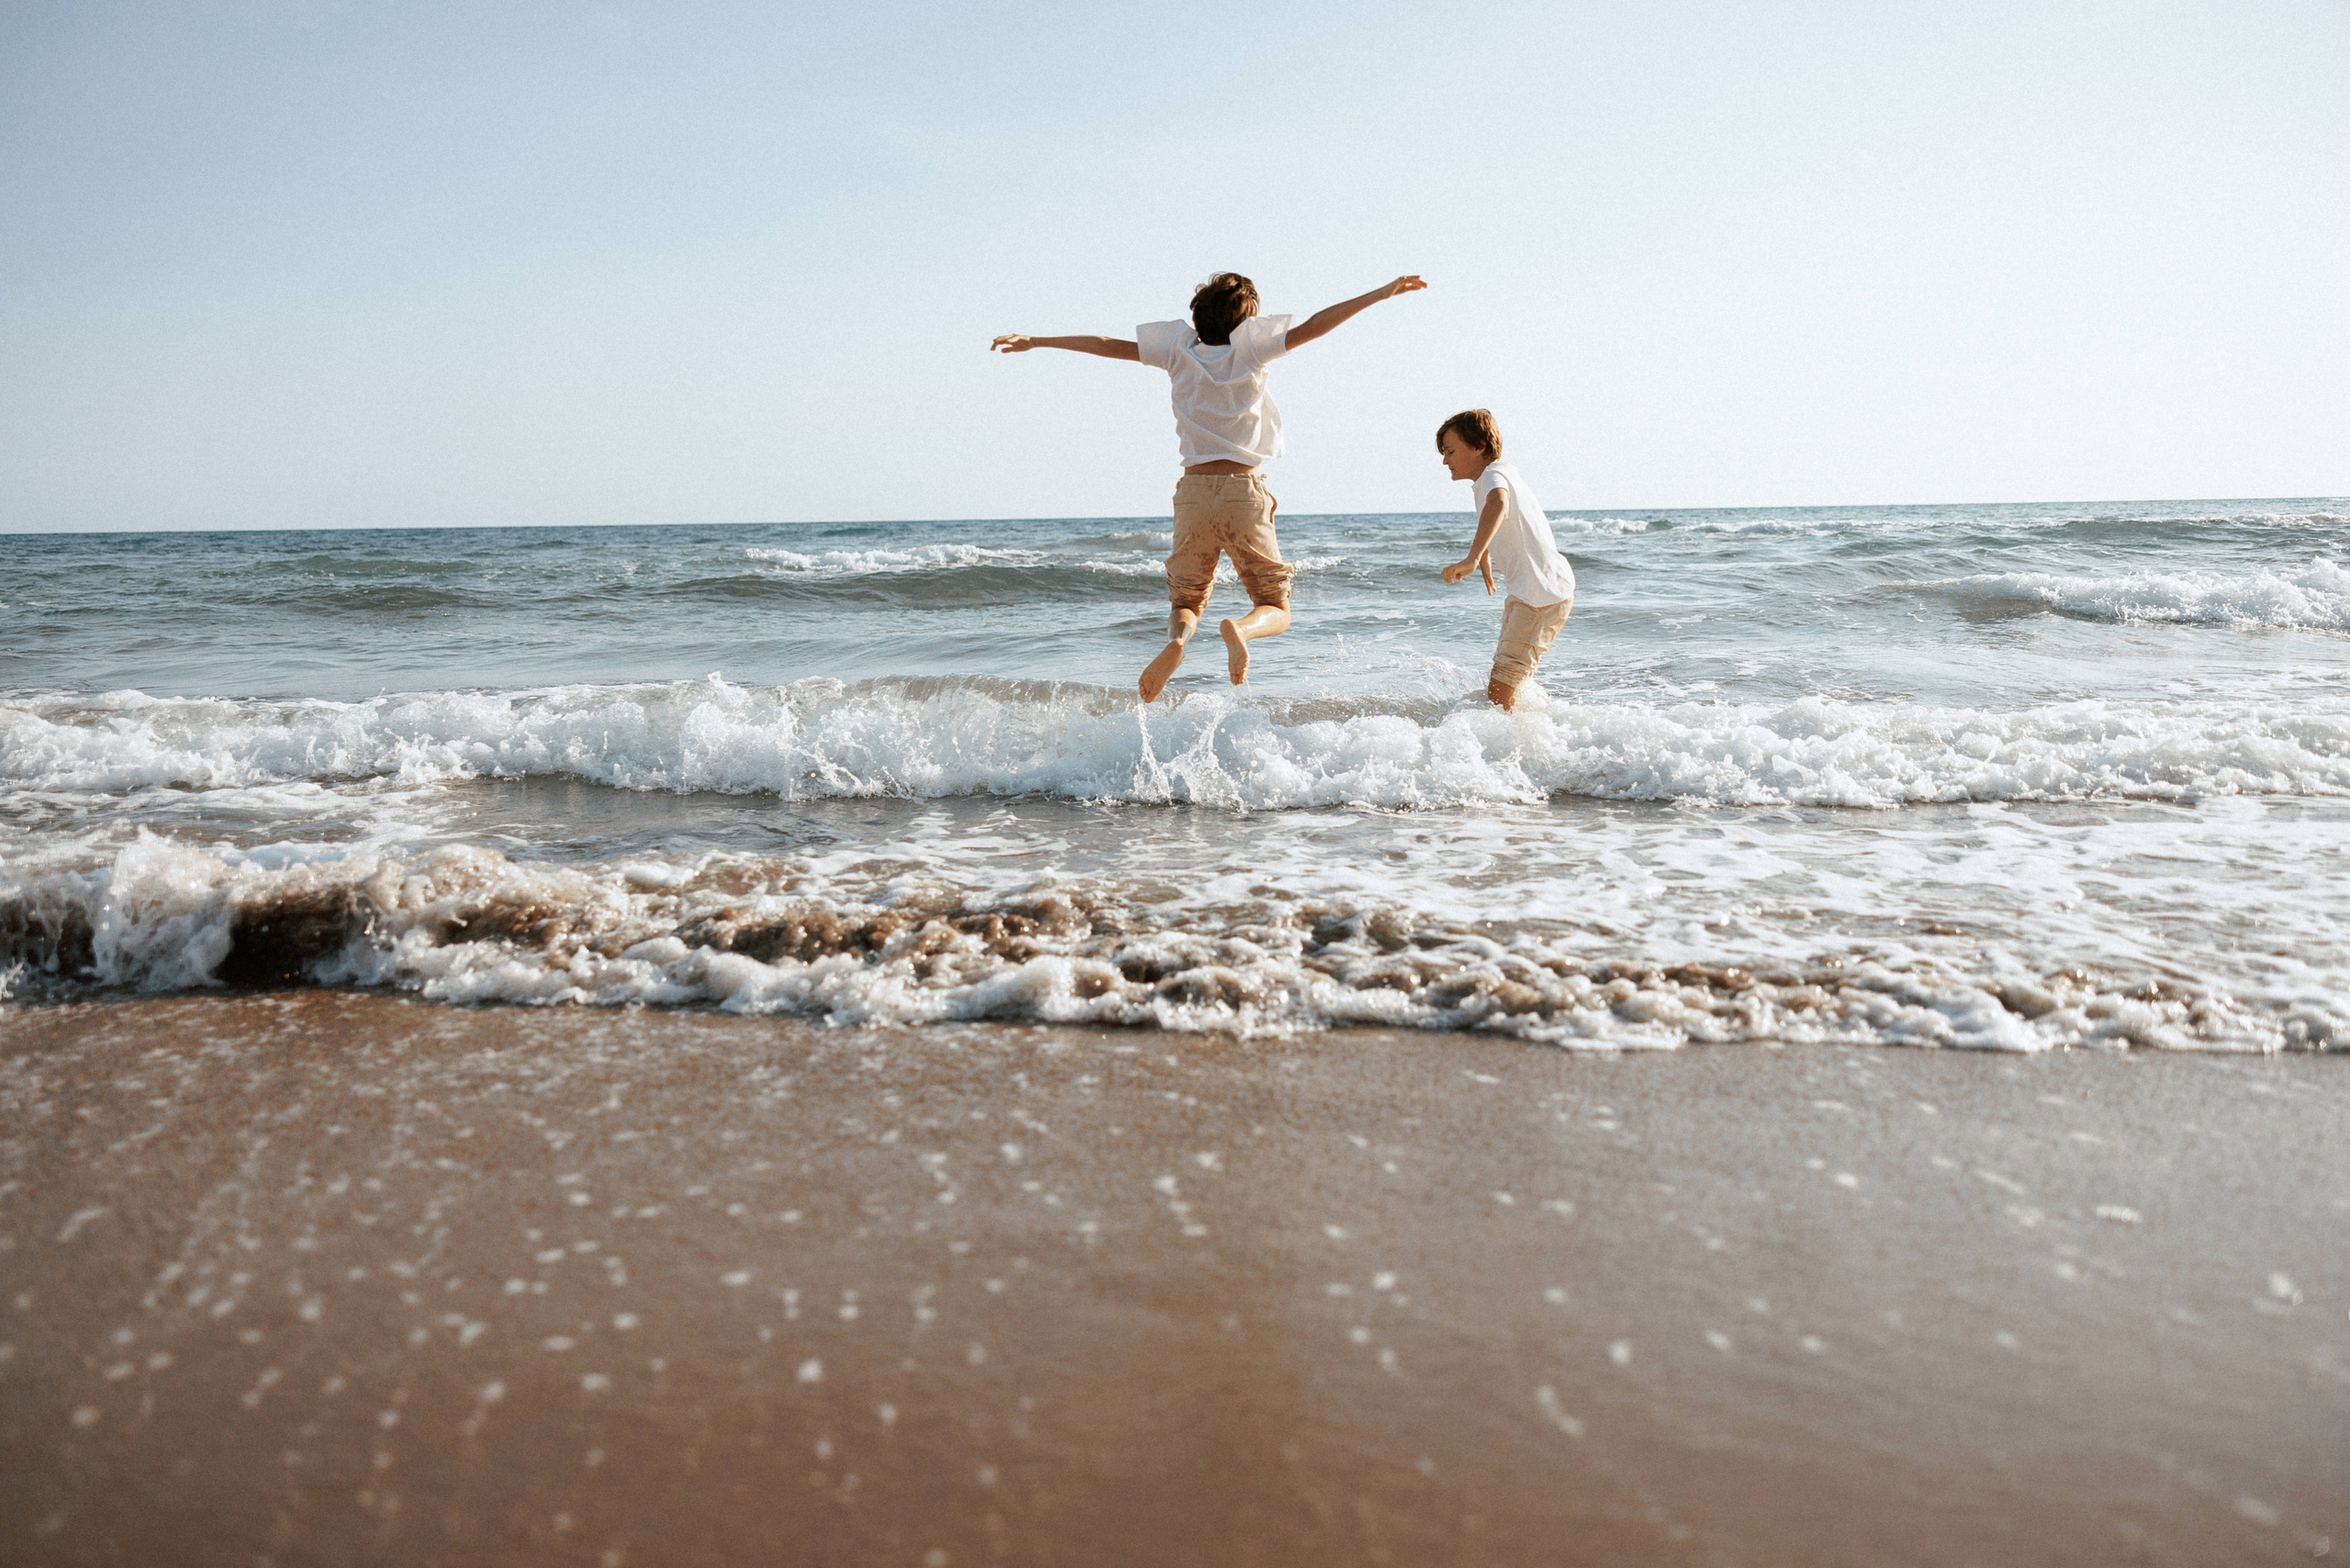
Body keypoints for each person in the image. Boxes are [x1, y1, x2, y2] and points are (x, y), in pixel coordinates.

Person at [994, 272, 1426, 700]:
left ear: (1198, 317)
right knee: (1275, 605)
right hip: (1243, 490)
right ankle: (1240, 629)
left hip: (1194, 492)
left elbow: (1106, 345)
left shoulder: (1176, 350)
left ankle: (1178, 642)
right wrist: (1380, 293)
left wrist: (1037, 341)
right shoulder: (1252, 349)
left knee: (1186, 599)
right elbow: (1316, 325)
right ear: (1247, 323)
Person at [1436, 409, 1576, 711]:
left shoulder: (1493, 476)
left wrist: (1472, 558)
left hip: (1538, 596)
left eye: (1450, 451)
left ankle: (1514, 751)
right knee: (1505, 679)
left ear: (1479, 447)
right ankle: (1524, 733)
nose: (1445, 460)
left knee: (1500, 688)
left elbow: (1498, 504)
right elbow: (1506, 516)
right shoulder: (1500, 473)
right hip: (1532, 593)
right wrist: (1486, 554)